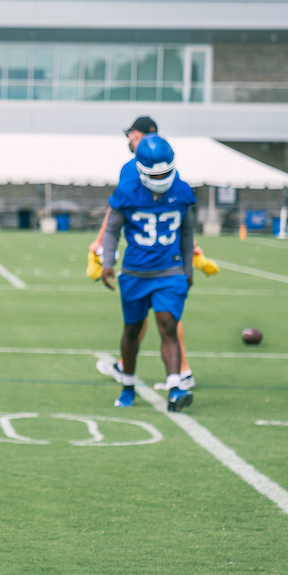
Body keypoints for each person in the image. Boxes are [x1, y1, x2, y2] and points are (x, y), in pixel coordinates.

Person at [90, 115, 198, 391]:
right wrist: (106, 250)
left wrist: (187, 260)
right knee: (144, 323)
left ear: (137, 134)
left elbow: (180, 218)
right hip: (141, 264)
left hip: (164, 262)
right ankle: (139, 371)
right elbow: (118, 215)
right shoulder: (140, 177)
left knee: (166, 320)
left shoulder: (153, 176)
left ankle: (180, 373)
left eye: (130, 134)